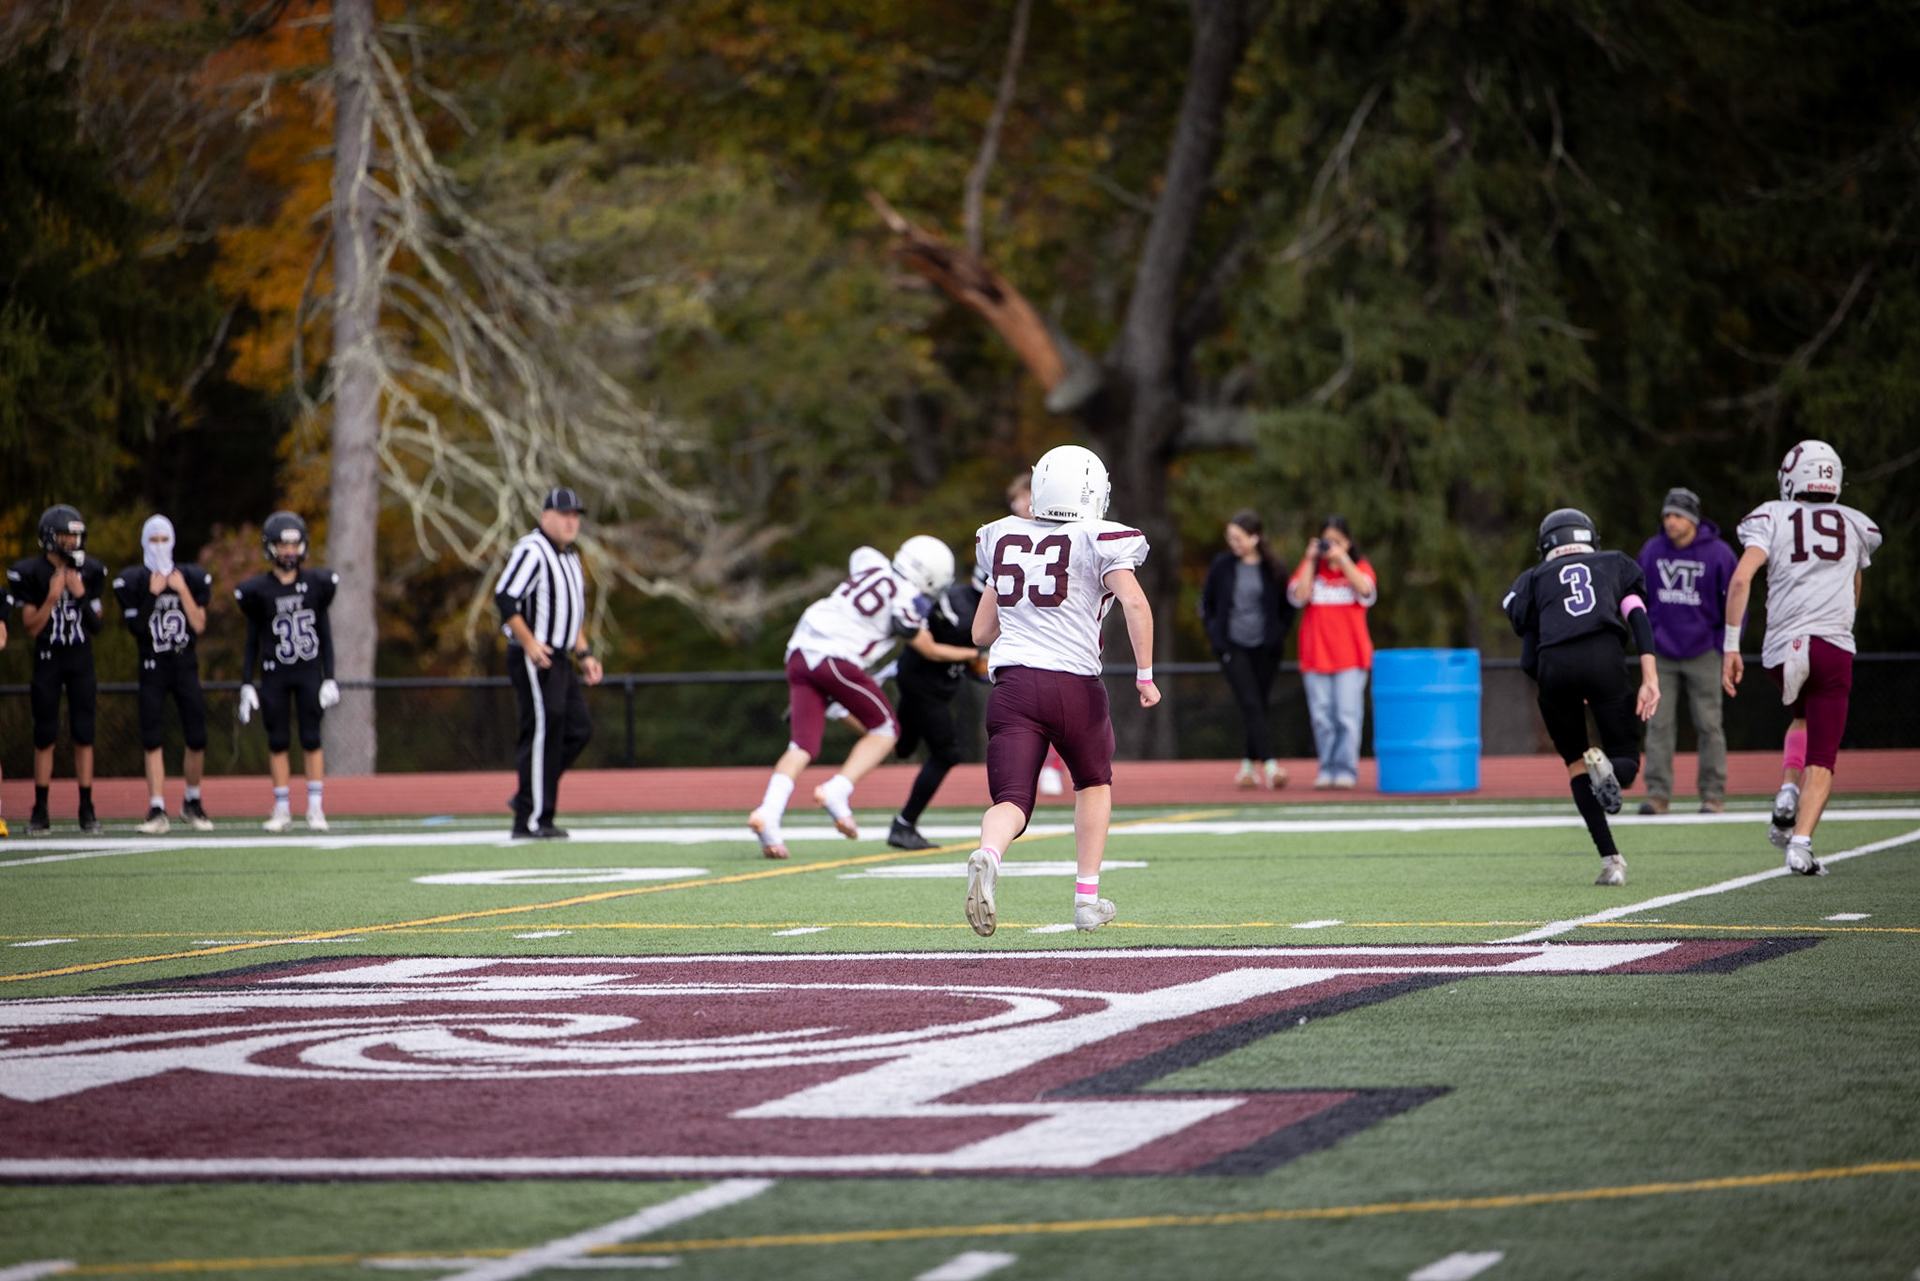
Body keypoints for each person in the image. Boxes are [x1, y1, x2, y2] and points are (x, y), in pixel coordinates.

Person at [965, 444, 1158, 936]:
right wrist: (1144, 674)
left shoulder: (1001, 537)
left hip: (1011, 687)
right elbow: (1134, 603)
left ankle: (988, 854)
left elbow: (981, 634)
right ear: (1093, 491)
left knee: (1011, 799)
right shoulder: (1101, 537)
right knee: (1093, 784)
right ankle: (1086, 899)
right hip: (1074, 685)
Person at [749, 536, 978, 859]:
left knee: (801, 746)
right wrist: (974, 652)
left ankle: (768, 815)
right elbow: (926, 647)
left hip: (799, 650)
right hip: (835, 657)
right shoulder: (908, 598)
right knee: (887, 731)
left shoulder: (872, 563)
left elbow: (860, 554)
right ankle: (836, 790)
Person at [1722, 441, 1881, 876]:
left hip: (1781, 650)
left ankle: (1787, 789)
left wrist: (1731, 647)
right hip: (1831, 647)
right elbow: (1854, 587)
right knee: (1823, 758)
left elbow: (1740, 581)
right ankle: (1801, 846)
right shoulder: (1856, 524)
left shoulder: (1771, 515)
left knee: (1801, 715)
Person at [1503, 508, 1660, 886]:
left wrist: (1554, 688)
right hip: (1604, 659)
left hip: (1554, 667)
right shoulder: (1614, 564)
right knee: (1625, 762)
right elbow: (1637, 617)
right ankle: (1606, 766)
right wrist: (1650, 676)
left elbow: (1528, 654)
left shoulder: (1533, 579)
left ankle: (1611, 861)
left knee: (1576, 763)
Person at [496, 487, 603, 840]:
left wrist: (584, 653)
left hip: (562, 658)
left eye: (576, 515)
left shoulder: (570, 557)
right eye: (565, 514)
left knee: (577, 728)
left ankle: (528, 796)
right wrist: (528, 643)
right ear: (546, 517)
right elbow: (506, 597)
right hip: (537, 657)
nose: (572, 521)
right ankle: (531, 819)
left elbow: (571, 615)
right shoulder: (533, 550)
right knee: (542, 734)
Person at [1635, 487, 1738, 815]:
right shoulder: (1652, 551)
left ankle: (1712, 795)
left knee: (1709, 724)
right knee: (1658, 724)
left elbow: (1734, 602)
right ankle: (1657, 794)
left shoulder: (1719, 554)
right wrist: (1649, 638)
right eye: (1667, 515)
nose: (1670, 521)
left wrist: (1723, 644)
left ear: (1692, 519)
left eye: (1677, 515)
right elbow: (1638, 598)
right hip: (1662, 654)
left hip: (1703, 652)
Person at [235, 512, 339, 833]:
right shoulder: (259, 591)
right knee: (278, 740)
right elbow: (253, 640)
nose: (290, 550)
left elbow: (325, 633)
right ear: (271, 547)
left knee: (311, 739)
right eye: (284, 543)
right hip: (274, 672)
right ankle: (282, 808)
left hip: (308, 671)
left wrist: (330, 676)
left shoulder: (316, 585)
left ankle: (315, 808)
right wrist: (246, 683)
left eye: (295, 543)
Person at [113, 516, 217, 834]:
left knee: (197, 736)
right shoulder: (134, 580)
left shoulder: (190, 577)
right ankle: (157, 807)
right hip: (152, 664)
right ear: (145, 542)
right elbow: (136, 628)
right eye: (153, 540)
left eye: (164, 539)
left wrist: (181, 589)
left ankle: (192, 800)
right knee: (152, 737)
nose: (159, 546)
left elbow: (199, 624)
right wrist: (153, 594)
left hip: (184, 663)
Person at [9, 505, 107, 834]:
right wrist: (52, 598)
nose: (73, 541)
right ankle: (40, 808)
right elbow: (31, 627)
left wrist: (79, 595)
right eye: (67, 535)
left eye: (76, 535)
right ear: (51, 537)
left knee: (84, 735)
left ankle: (87, 807)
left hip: (80, 658)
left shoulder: (91, 571)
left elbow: (97, 625)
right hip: (48, 657)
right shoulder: (31, 573)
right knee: (45, 735)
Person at [885, 560, 987, 850]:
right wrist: (976, 658)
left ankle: (842, 710)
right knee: (947, 754)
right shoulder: (965, 612)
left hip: (920, 677)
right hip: (926, 684)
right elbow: (965, 652)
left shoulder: (958, 598)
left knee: (901, 747)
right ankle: (904, 825)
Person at [1201, 508, 1293, 788]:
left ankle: (1247, 768)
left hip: (1266, 649)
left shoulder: (1274, 568)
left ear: (1255, 538)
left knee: (1259, 706)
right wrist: (1217, 638)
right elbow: (1208, 605)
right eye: (1230, 538)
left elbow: (1286, 609)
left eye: (1239, 538)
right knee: (1251, 702)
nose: (1234, 543)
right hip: (1233, 646)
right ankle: (1271, 766)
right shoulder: (1222, 566)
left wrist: (1276, 636)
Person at [1286, 514, 1376, 788]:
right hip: (1316, 657)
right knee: (1322, 717)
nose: (1331, 547)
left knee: (1347, 716)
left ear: (1348, 542)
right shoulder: (1312, 570)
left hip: (1351, 657)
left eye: (1337, 541)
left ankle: (1346, 769)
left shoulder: (1360, 567)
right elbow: (1298, 596)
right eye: (1327, 541)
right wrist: (1311, 560)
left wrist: (1344, 560)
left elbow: (1366, 591)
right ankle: (1327, 767)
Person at [997, 469, 1070, 798]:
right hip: (1020, 639)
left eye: (1023, 497)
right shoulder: (1002, 538)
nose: (1017, 504)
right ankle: (1031, 770)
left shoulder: (1067, 534)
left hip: (1056, 639)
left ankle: (1051, 766)